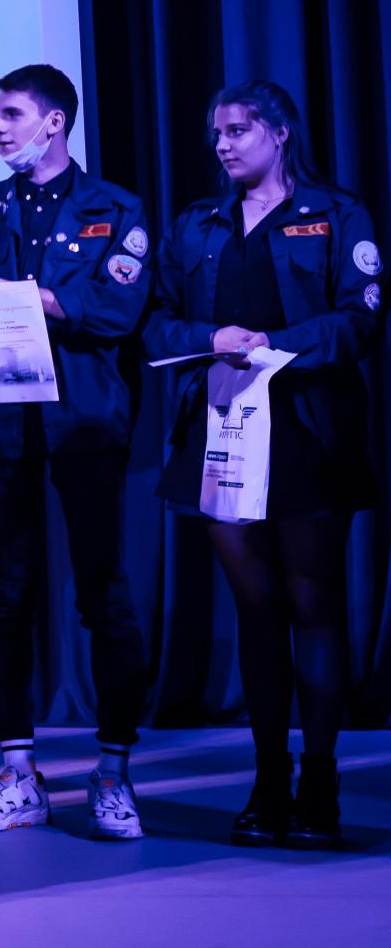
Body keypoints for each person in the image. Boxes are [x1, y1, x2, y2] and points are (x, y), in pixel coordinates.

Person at [144, 80, 380, 849]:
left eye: (239, 130)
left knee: (313, 603)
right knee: (256, 608)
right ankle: (268, 777)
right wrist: (211, 338)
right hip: (224, 431)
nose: (223, 144)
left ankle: (320, 781)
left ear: (280, 133)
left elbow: (362, 317)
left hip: (309, 433)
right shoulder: (197, 224)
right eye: (217, 132)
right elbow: (156, 321)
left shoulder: (336, 214)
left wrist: (280, 346)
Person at [0, 64, 153, 839]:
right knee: (5, 594)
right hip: (2, 424)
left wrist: (33, 300)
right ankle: (17, 771)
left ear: (55, 121)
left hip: (84, 420)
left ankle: (113, 770)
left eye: (11, 114)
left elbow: (120, 307)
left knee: (104, 593)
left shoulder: (114, 208)